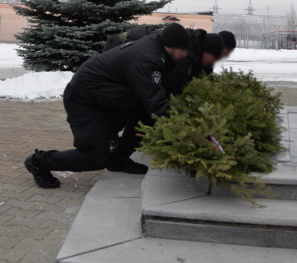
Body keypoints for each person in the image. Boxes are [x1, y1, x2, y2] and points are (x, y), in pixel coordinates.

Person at [23, 23, 190, 188]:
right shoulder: (146, 59)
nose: (185, 54)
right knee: (95, 157)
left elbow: (164, 90)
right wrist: (187, 128)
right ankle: (38, 161)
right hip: (82, 98)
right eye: (182, 49)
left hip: (104, 98)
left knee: (144, 114)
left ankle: (118, 159)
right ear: (170, 46)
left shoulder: (160, 49)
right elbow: (157, 103)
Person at [170, 31, 225, 95]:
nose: (213, 62)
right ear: (205, 50)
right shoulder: (186, 56)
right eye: (214, 57)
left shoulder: (202, 59)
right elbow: (178, 86)